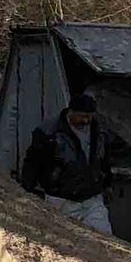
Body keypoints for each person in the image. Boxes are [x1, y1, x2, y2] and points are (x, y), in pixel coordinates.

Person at [21, 90, 118, 235]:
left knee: (103, 238)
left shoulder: (100, 131)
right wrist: (29, 189)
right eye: (82, 116)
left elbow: (104, 160)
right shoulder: (49, 133)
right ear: (71, 112)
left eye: (89, 116)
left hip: (91, 198)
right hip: (60, 200)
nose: (85, 121)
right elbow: (33, 162)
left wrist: (107, 184)